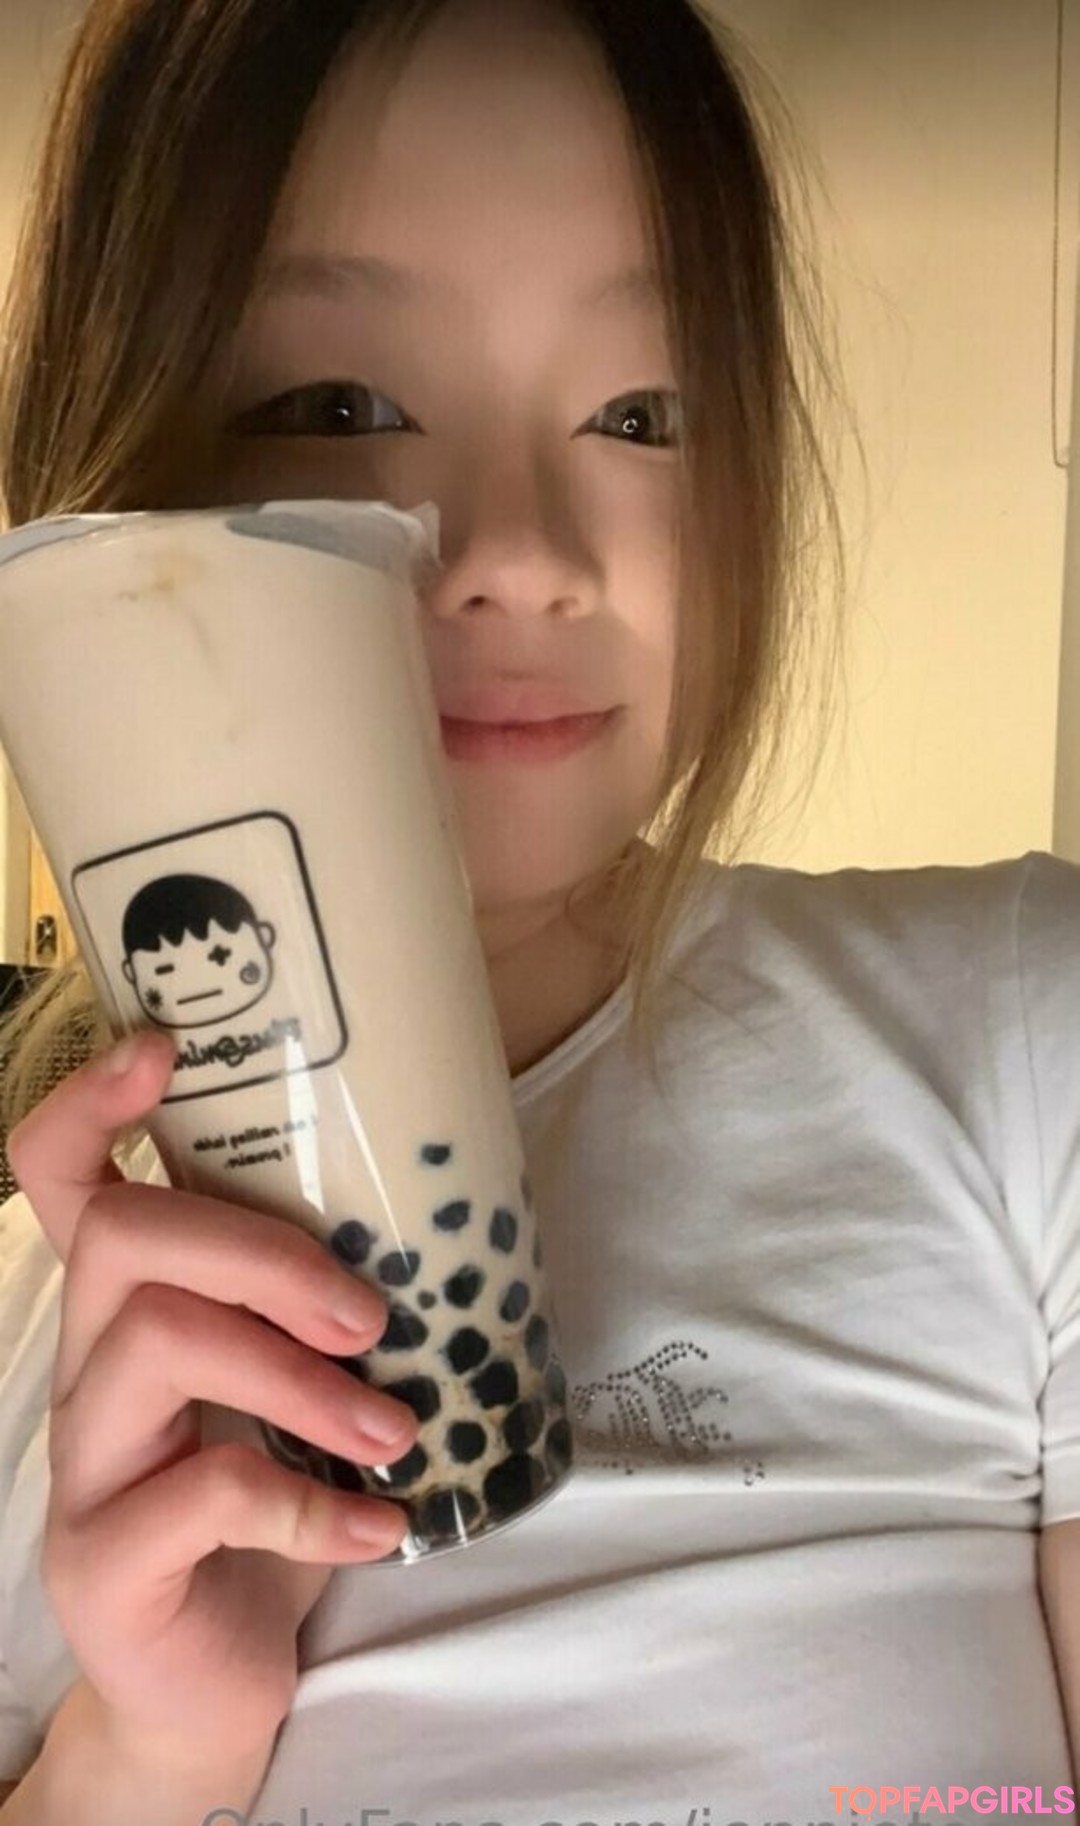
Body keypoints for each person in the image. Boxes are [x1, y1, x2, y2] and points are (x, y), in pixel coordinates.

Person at [0, 0, 1078, 1820]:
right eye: (342, 407)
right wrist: (153, 1749)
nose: (525, 551)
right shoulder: (51, 1371)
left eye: (640, 413)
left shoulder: (1023, 1042)